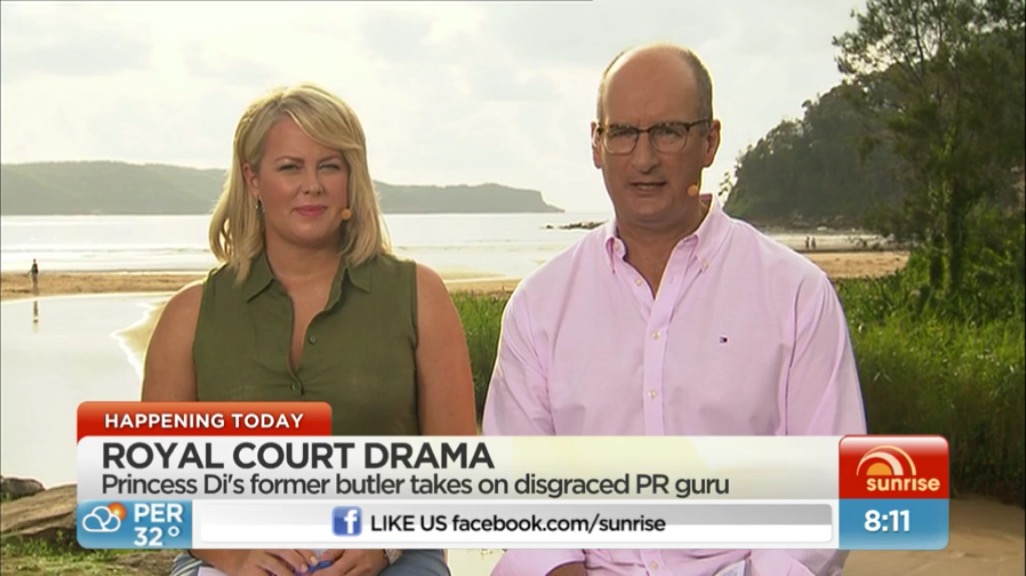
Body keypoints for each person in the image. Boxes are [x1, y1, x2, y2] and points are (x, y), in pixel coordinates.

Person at [482, 43, 867, 576]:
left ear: (710, 141)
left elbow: (832, 486)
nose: (644, 159)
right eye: (623, 133)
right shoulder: (538, 306)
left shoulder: (797, 295)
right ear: (596, 144)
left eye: (668, 132)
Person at [142, 82, 478, 576]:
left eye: (330, 166)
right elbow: (156, 490)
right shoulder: (189, 316)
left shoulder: (419, 295)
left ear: (351, 178)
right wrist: (237, 556)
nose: (312, 185)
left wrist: (383, 545)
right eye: (290, 167)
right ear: (253, 179)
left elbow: (458, 470)